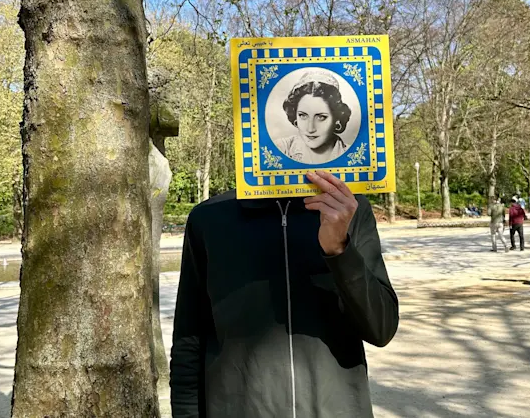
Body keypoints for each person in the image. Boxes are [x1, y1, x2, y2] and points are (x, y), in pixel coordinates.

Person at [170, 170, 399, 418]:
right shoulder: (210, 218)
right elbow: (189, 338)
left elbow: (381, 329)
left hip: (337, 408)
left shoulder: (349, 209)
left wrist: (339, 249)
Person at [276, 71, 353, 164]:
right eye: (303, 115)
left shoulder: (353, 155)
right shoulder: (281, 149)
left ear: (336, 119)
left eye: (321, 117)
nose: (310, 129)